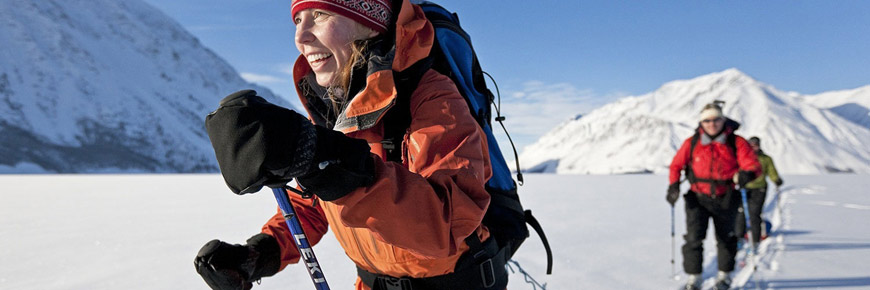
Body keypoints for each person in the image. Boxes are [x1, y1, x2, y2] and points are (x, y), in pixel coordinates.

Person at [195, 0, 505, 289]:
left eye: (320, 15)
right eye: (297, 20)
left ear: (370, 21)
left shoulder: (433, 98)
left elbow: (447, 223)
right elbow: (317, 203)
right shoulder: (336, 103)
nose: (301, 37)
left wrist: (328, 161)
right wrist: (259, 253)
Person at [666, 103, 762, 290]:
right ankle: (694, 278)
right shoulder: (691, 143)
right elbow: (676, 165)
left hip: (726, 197)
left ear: (723, 120)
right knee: (693, 238)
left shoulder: (736, 142)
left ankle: (724, 277)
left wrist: (747, 174)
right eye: (707, 120)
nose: (712, 124)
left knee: (726, 238)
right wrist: (673, 185)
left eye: (716, 119)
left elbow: (752, 165)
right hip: (697, 197)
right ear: (701, 123)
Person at [735, 136, 783, 246]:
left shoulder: (765, 159)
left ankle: (755, 240)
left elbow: (771, 171)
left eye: (755, 145)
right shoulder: (741, 157)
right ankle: (738, 237)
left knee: (754, 213)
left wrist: (776, 179)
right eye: (750, 145)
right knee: (740, 212)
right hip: (744, 188)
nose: (753, 148)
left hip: (759, 188)